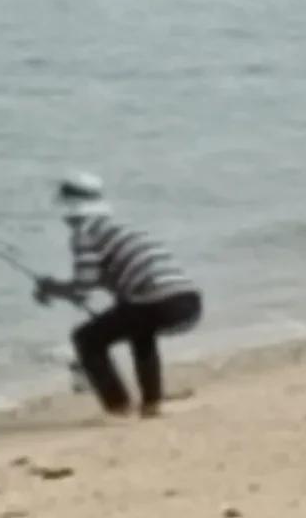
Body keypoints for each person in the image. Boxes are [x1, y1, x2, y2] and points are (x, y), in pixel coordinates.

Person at [35, 175, 202, 417]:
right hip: (187, 301)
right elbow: (115, 278)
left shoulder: (85, 232)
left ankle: (118, 406)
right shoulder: (122, 229)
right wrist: (67, 289)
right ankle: (151, 404)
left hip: (154, 302)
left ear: (70, 210)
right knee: (140, 334)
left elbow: (83, 284)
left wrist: (50, 288)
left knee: (85, 338)